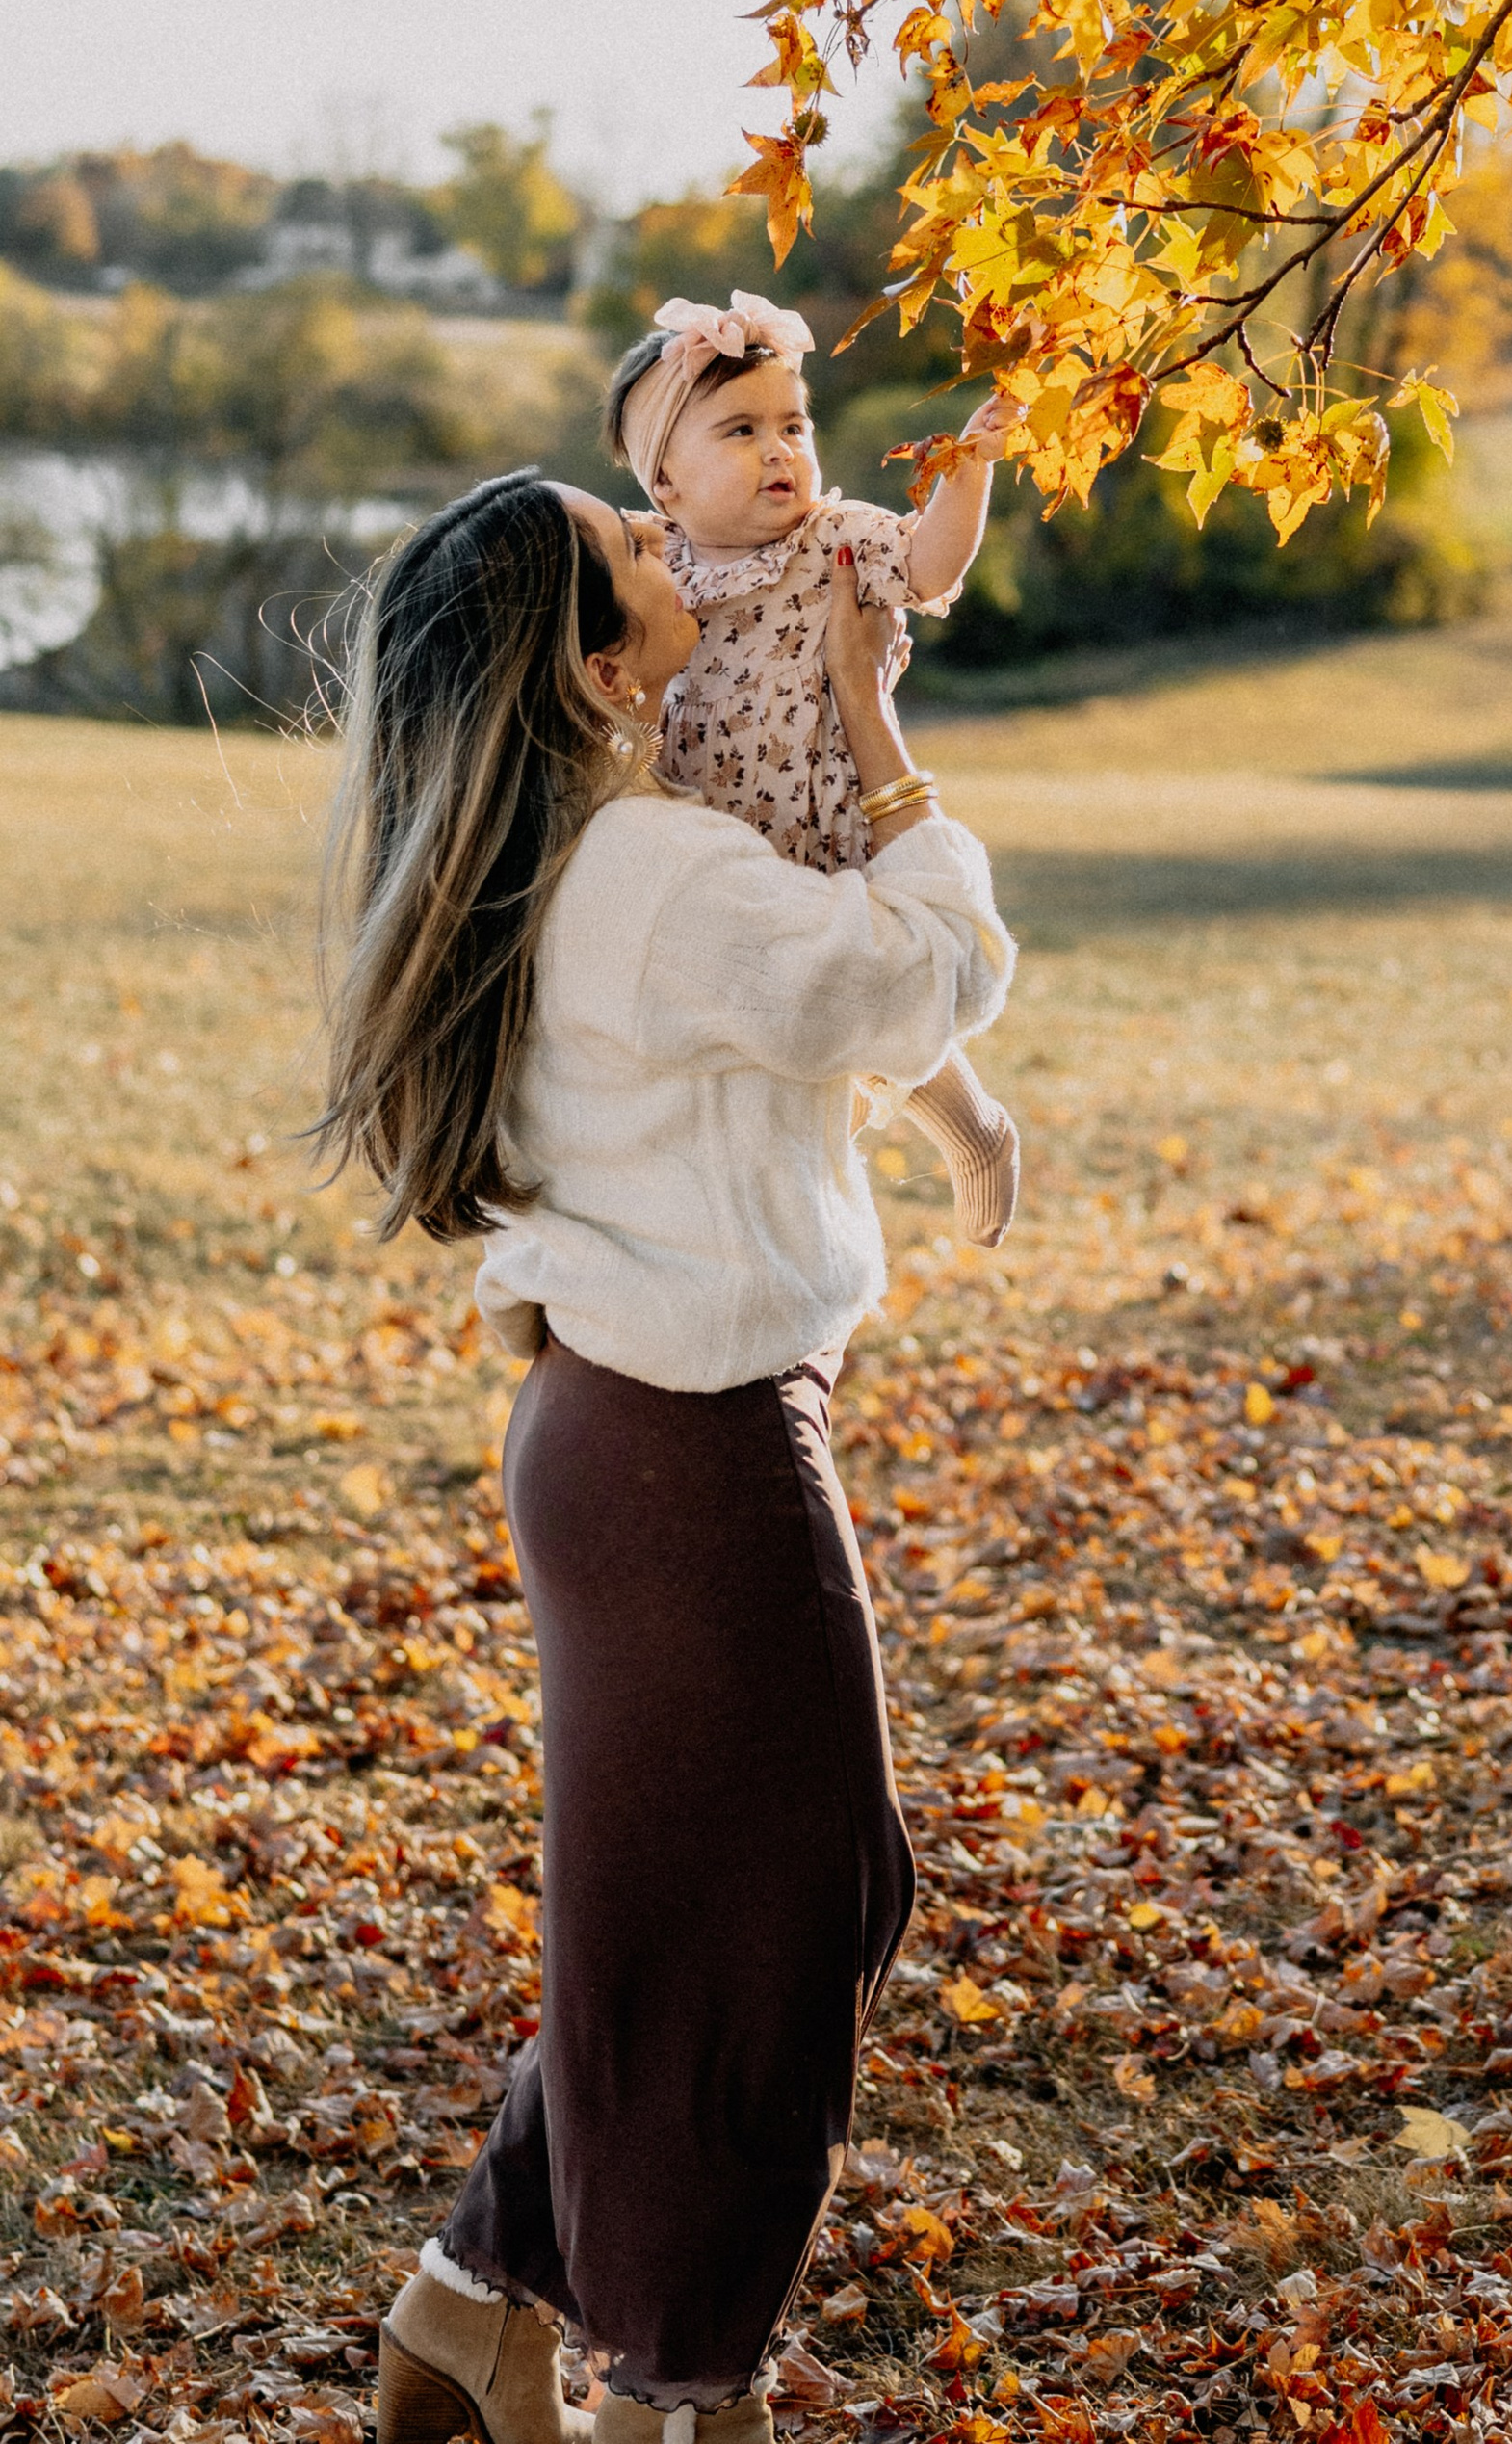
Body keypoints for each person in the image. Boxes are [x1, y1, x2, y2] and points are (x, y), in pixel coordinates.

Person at [319, 467, 1013, 2444]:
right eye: (629, 548)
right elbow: (923, 972)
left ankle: (477, 2306)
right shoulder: (654, 877)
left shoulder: (579, 850)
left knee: (704, 1915)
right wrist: (877, 724)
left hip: (620, 1434)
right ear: (598, 661)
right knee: (799, 1914)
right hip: (690, 1452)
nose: (662, 532)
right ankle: (673, 2393)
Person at [606, 290, 1022, 1247]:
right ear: (665, 483)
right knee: (779, 1051)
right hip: (712, 847)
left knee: (866, 1014)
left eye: (793, 425)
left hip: (829, 833)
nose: (780, 450)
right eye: (742, 431)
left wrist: (968, 469)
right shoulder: (655, 569)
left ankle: (972, 1132)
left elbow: (929, 566)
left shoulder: (837, 538)